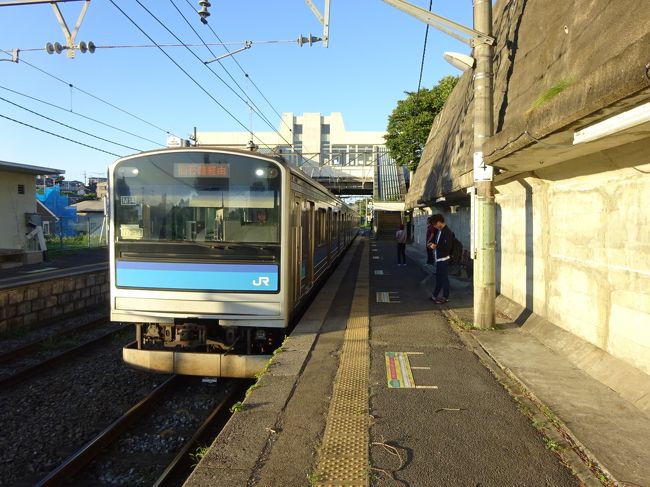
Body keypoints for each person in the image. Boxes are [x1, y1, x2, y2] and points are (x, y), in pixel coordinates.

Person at [428, 214, 452, 303]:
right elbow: (439, 243)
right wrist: (433, 244)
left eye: (435, 224)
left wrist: (436, 246)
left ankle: (445, 297)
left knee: (444, 279)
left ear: (439, 222)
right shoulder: (440, 231)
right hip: (439, 259)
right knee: (439, 279)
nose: (434, 226)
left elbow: (448, 247)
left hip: (444, 259)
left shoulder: (447, 232)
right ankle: (435, 296)